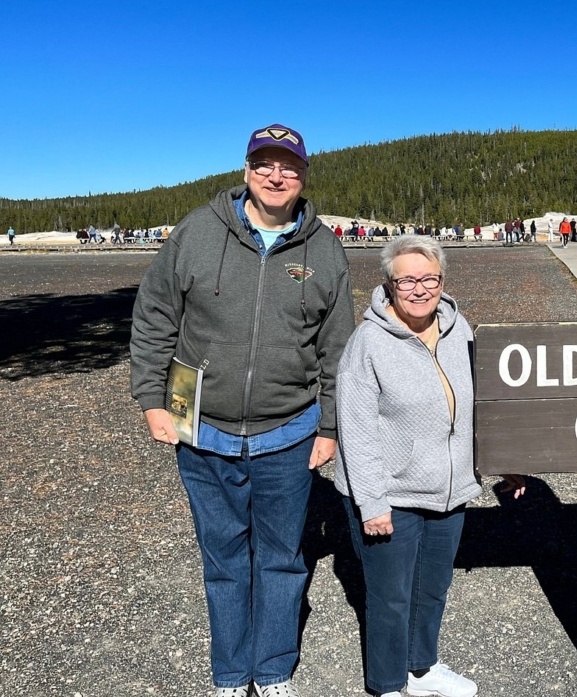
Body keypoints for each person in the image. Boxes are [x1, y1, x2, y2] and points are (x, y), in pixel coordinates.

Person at [130, 124, 356, 697]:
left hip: (290, 428)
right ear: (247, 169)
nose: (276, 175)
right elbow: (155, 317)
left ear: (304, 175)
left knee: (281, 558)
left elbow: (337, 347)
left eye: (288, 166)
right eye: (265, 164)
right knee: (224, 556)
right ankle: (231, 672)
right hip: (200, 422)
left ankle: (274, 665)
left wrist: (329, 425)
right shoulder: (198, 232)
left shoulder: (324, 248)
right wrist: (152, 401)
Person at [335, 236, 524, 697]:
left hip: (450, 487)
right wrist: (372, 503)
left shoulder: (460, 331)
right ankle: (386, 683)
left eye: (429, 278)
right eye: (407, 280)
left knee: (433, 587)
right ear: (389, 284)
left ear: (443, 280)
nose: (419, 289)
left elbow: (482, 404)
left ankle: (422, 668)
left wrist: (503, 462)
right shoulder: (368, 343)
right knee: (389, 597)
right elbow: (355, 430)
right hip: (391, 493)